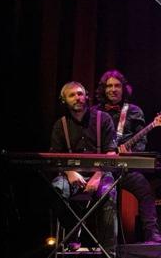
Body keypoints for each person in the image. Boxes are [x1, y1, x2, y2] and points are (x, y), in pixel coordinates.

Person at [93, 69, 161, 243]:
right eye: (109, 86)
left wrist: (132, 152)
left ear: (124, 88)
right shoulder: (94, 113)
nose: (113, 89)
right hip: (100, 169)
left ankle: (152, 233)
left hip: (123, 168)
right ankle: (102, 240)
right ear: (103, 89)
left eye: (117, 85)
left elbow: (142, 142)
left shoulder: (134, 111)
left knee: (144, 188)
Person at [50, 81, 118, 253]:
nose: (78, 98)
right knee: (56, 190)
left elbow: (111, 154)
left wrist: (97, 176)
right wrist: (70, 172)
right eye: (72, 95)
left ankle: (109, 251)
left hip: (100, 173)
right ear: (64, 100)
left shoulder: (103, 119)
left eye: (80, 94)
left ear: (86, 96)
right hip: (70, 175)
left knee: (109, 193)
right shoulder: (60, 124)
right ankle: (73, 236)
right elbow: (55, 157)